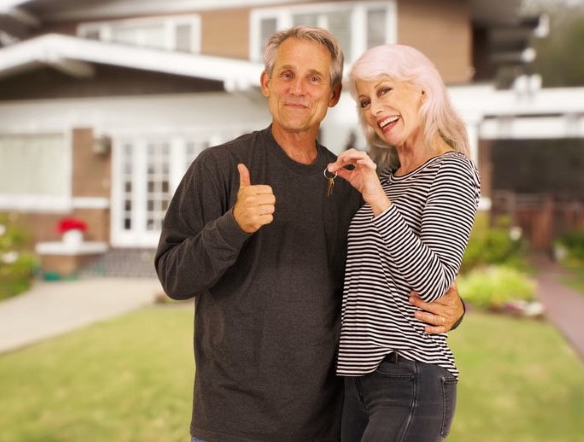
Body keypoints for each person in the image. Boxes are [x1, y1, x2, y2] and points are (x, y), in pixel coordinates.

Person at [155, 27, 466, 442]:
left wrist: (455, 306)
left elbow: (382, 273)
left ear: (333, 94)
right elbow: (174, 277)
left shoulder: (351, 183)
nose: (298, 89)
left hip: (324, 421)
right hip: (231, 423)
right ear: (267, 83)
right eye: (286, 74)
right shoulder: (219, 166)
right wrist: (233, 226)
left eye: (314, 78)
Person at [327, 44, 481, 441]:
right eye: (364, 101)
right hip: (358, 380)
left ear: (423, 91)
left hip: (410, 375)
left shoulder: (452, 171)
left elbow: (432, 282)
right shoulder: (388, 177)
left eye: (384, 91)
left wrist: (377, 200)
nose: (374, 109)